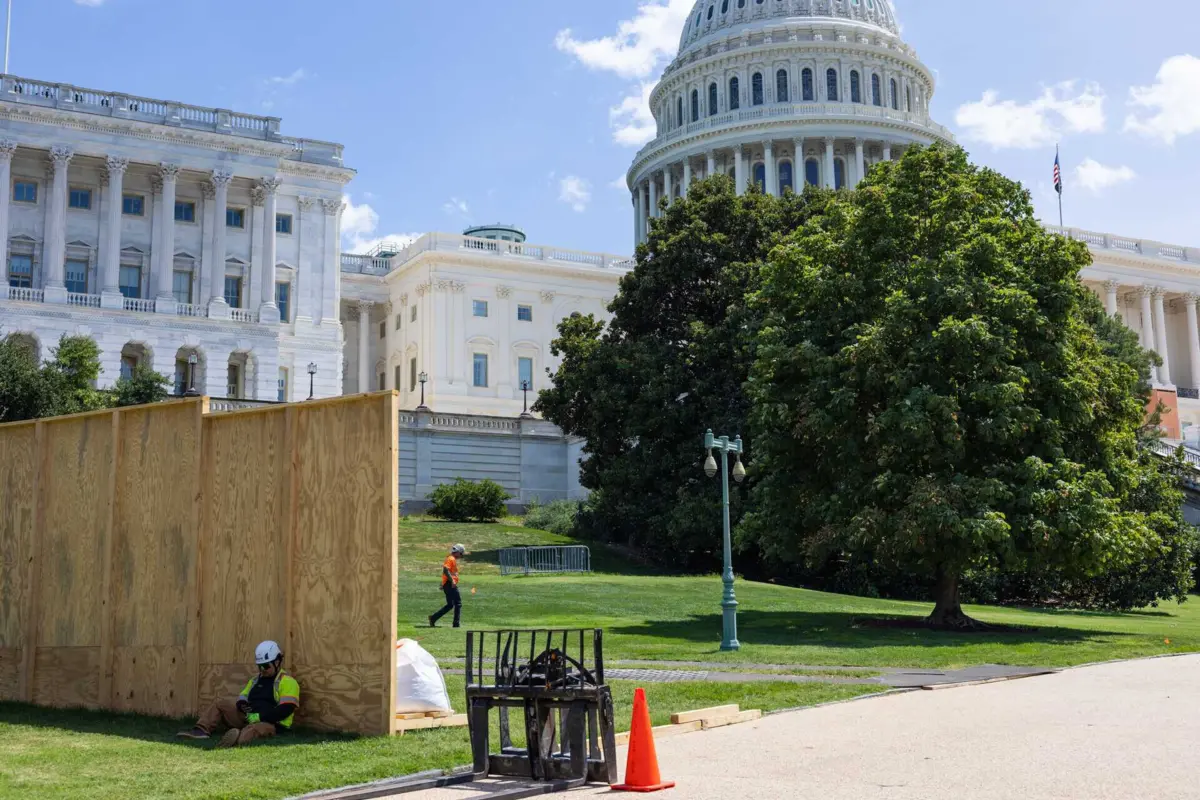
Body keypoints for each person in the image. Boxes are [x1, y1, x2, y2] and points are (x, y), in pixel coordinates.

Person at [177, 640, 301, 748]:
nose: (262, 670)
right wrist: (242, 705)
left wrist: (260, 717)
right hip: (248, 717)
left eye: (265, 666)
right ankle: (201, 731)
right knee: (220, 704)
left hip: (272, 724)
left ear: (277, 662)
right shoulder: (255, 681)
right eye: (259, 666)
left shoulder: (288, 682)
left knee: (253, 730)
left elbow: (286, 709)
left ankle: (237, 738)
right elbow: (243, 697)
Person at [429, 543, 466, 628]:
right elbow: (445, 570)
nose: (461, 556)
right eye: (461, 553)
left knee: (450, 605)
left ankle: (433, 618)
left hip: (448, 584)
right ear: (457, 552)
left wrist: (443, 583)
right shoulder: (451, 558)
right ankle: (456, 624)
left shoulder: (451, 558)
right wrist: (452, 581)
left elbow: (447, 572)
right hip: (450, 584)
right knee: (458, 603)